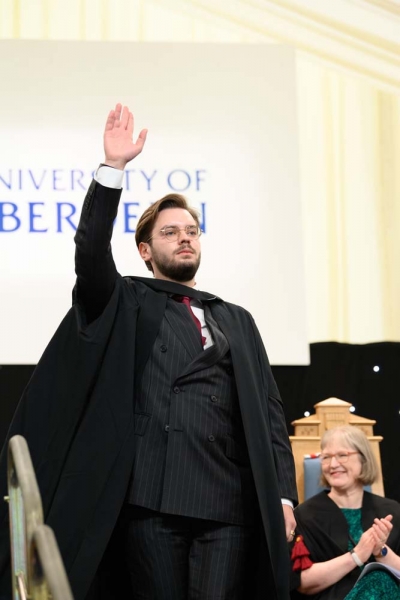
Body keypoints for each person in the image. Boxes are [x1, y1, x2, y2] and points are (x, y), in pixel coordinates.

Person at [0, 104, 297, 600]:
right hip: (151, 499)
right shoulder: (128, 301)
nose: (184, 239)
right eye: (170, 232)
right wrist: (113, 169)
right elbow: (90, 254)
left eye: (191, 231)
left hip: (227, 501)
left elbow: (269, 414)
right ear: (144, 250)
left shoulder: (236, 319)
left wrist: (283, 496)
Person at [290, 425, 400, 600]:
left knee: (381, 580)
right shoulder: (305, 516)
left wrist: (380, 551)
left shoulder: (391, 511)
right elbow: (301, 583)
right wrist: (356, 556)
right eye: (326, 457)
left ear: (363, 459)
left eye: (342, 455)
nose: (333, 464)